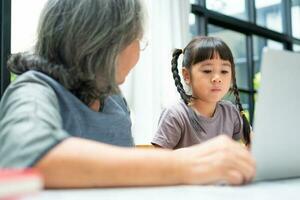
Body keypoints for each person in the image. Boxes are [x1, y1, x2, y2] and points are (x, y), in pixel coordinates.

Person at [0, 0, 255, 187]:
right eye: (137, 40)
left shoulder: (114, 99)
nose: (138, 51)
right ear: (105, 44)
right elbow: (26, 159)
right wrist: (187, 164)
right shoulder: (34, 90)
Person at [152, 36, 252, 149]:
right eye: (207, 71)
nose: (217, 78)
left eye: (224, 71)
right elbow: (159, 160)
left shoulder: (230, 112)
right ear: (186, 75)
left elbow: (253, 144)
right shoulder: (176, 114)